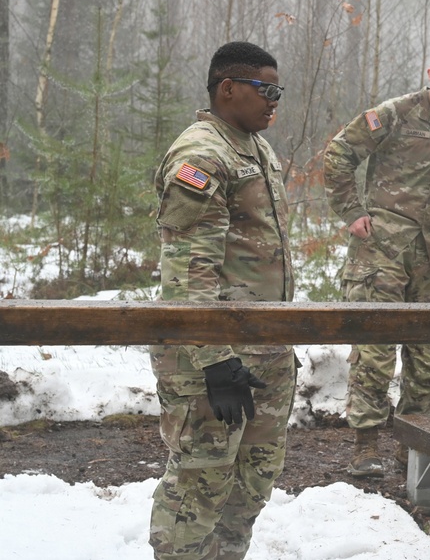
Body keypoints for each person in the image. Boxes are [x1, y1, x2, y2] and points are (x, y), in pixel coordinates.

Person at [148, 41, 297, 560]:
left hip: (265, 352)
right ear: (227, 89)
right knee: (198, 486)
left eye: (279, 90)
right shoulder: (202, 154)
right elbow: (187, 272)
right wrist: (214, 359)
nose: (275, 99)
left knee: (252, 484)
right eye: (267, 89)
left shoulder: (254, 147)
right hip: (210, 358)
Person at [324, 42, 430, 478]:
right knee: (375, 349)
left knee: (425, 357)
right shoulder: (396, 114)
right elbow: (340, 154)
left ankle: (411, 445)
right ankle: (365, 446)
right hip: (383, 249)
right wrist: (352, 213)